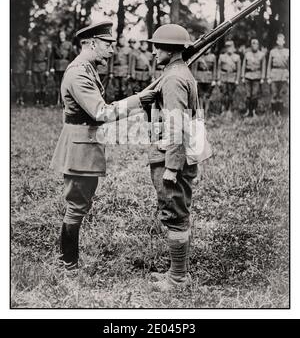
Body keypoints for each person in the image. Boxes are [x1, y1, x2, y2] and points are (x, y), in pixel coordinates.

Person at [50, 21, 157, 272]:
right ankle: (68, 264)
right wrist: (138, 100)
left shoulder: (87, 69)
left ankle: (68, 261)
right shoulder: (79, 72)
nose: (112, 49)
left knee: (80, 204)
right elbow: (100, 111)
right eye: (108, 44)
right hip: (80, 145)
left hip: (86, 142)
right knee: (76, 205)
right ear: (92, 43)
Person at [146, 24, 199, 291]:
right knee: (178, 213)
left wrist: (172, 166)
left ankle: (177, 279)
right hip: (172, 153)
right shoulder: (178, 72)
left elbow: (177, 123)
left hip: (170, 155)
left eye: (158, 46)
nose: (154, 52)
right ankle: (177, 273)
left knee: (175, 215)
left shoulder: (173, 78)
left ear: (171, 49)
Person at [241, 38, 266, 117]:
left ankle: (254, 111)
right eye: (253, 44)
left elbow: (263, 67)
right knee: (248, 95)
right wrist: (242, 76)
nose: (254, 45)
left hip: (257, 76)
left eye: (256, 44)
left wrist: (262, 77)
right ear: (251, 45)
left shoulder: (262, 55)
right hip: (248, 76)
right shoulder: (247, 54)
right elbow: (243, 66)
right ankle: (248, 111)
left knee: (255, 95)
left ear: (258, 45)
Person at [266, 33, 289, 115]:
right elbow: (269, 65)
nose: (280, 42)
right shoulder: (272, 52)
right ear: (277, 41)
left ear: (284, 41)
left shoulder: (288, 52)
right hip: (274, 75)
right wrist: (268, 77)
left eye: (281, 40)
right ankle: (274, 112)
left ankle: (280, 111)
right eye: (278, 40)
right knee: (274, 93)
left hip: (284, 75)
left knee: (282, 94)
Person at [50, 30, 74, 105]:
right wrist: (51, 67)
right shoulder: (55, 45)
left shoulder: (69, 44)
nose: (61, 36)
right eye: (60, 35)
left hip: (66, 66)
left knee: (65, 84)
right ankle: (57, 100)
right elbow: (52, 57)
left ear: (65, 36)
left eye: (63, 35)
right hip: (57, 66)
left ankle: (65, 101)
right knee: (57, 84)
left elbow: (71, 56)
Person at [217, 40, 241, 113]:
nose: (229, 49)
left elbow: (238, 70)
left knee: (231, 94)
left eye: (230, 47)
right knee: (223, 94)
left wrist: (237, 79)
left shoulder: (237, 57)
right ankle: (223, 109)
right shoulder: (222, 56)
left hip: (232, 77)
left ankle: (230, 109)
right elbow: (219, 68)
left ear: (233, 47)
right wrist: (218, 79)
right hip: (223, 77)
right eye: (227, 47)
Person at [191, 49, 217, 116]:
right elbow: (194, 68)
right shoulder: (198, 56)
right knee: (200, 96)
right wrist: (194, 79)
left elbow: (214, 69)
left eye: (208, 48)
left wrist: (214, 79)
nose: (207, 49)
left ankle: (206, 112)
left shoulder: (213, 57)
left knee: (208, 96)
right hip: (199, 79)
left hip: (209, 79)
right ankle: (200, 112)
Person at [28, 33, 51, 105]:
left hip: (43, 67)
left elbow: (48, 60)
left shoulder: (46, 47)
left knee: (43, 84)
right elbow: (30, 58)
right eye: (39, 38)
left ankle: (43, 100)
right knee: (35, 84)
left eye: (42, 37)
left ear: (44, 39)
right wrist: (29, 69)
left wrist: (47, 70)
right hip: (35, 67)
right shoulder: (34, 47)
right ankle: (36, 100)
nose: (40, 39)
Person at [109, 34, 131, 99]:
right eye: (120, 40)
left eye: (123, 40)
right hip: (116, 71)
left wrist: (129, 73)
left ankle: (123, 105)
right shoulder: (114, 49)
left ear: (125, 41)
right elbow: (111, 61)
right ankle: (117, 104)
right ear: (118, 40)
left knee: (124, 89)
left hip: (124, 71)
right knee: (116, 89)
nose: (122, 41)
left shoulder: (128, 49)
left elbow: (130, 63)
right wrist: (111, 72)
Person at [11, 35, 30, 105]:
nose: (20, 42)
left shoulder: (26, 49)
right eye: (19, 40)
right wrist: (11, 68)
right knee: (16, 84)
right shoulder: (14, 49)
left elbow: (29, 59)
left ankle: (21, 98)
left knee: (22, 84)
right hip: (15, 68)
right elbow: (11, 59)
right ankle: (17, 98)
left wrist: (28, 69)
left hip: (23, 68)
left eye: (22, 41)